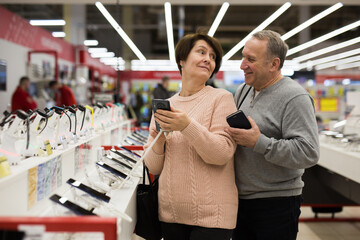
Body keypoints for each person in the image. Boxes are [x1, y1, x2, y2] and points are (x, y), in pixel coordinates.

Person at [225, 30, 320, 240]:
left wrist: (259, 142)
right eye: (243, 57)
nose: (242, 65)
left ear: (274, 64)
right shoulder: (243, 90)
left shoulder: (295, 97)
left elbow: (309, 152)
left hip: (276, 204)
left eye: (251, 59)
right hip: (241, 200)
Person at [144, 32, 238, 240]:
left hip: (213, 217)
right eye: (201, 52)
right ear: (182, 60)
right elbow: (153, 167)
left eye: (213, 57)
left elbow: (221, 153)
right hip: (170, 215)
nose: (208, 59)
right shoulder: (166, 105)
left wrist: (186, 125)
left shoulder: (222, 98)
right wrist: (159, 139)